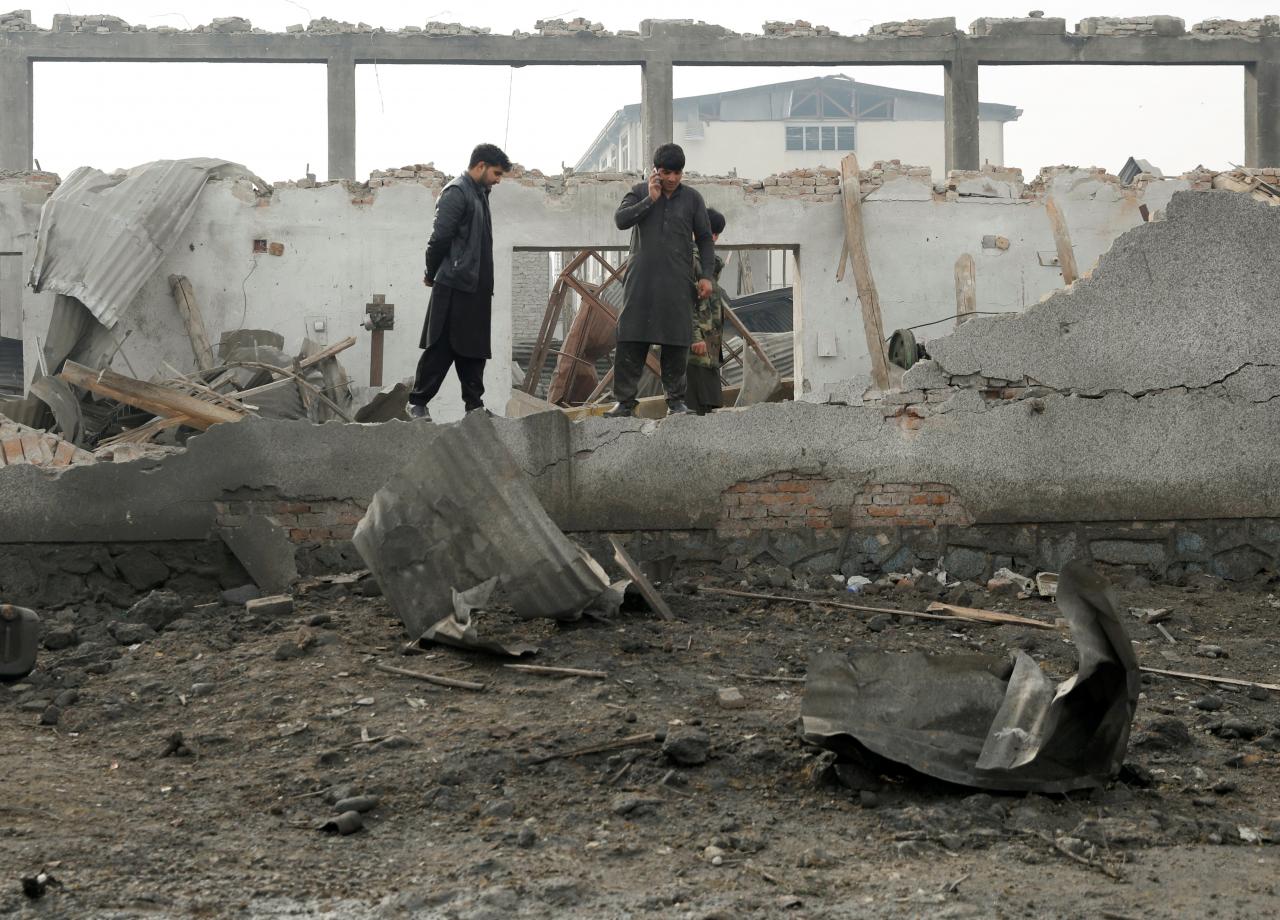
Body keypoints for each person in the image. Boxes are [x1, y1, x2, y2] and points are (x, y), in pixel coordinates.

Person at [606, 143, 716, 418]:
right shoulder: (639, 191)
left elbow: (704, 237)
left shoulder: (692, 199)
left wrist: (706, 276)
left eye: (677, 173)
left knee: (676, 339)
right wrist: (650, 199)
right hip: (640, 281)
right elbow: (621, 220)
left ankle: (676, 402)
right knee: (631, 336)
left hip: (678, 281)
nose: (672, 179)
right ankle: (625, 402)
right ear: (656, 171)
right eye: (667, 173)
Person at [409, 142, 512, 420]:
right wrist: (431, 274)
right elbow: (439, 238)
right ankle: (417, 403)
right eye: (496, 173)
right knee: (441, 346)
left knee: (474, 350)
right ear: (480, 166)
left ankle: (474, 407)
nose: (498, 180)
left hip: (476, 287)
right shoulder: (457, 191)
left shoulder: (480, 193)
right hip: (453, 283)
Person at [687, 208, 729, 416]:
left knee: (707, 405)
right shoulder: (689, 261)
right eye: (711, 232)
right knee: (692, 407)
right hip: (695, 347)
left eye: (717, 234)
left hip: (709, 346)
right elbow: (686, 303)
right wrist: (695, 338)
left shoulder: (709, 265)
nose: (714, 238)